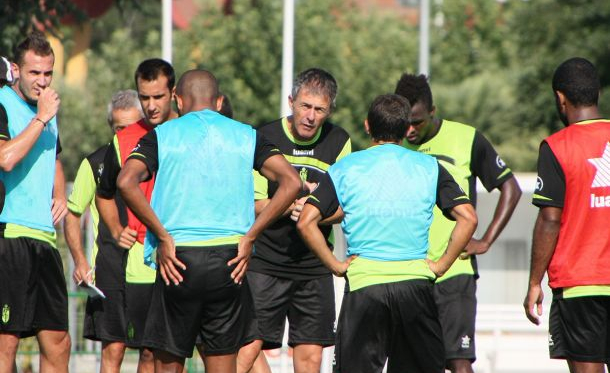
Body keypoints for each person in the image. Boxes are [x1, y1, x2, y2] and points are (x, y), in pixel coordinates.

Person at [116, 69, 300, 373]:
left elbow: (125, 182)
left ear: (177, 99)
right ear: (218, 101)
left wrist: (161, 235)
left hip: (177, 259)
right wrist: (252, 235)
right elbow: (291, 182)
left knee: (167, 365)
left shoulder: (162, 135)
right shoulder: (246, 134)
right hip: (230, 260)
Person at [296, 93, 478, 373]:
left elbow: (306, 221)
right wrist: (441, 265)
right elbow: (468, 217)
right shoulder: (430, 167)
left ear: (368, 126)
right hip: (415, 287)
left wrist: (335, 266)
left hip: (364, 287)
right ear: (406, 129)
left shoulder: (346, 167)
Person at [394, 73, 522, 373]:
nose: (410, 130)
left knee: (458, 361)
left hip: (455, 270)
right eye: (405, 123)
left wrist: (486, 239)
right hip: (407, 272)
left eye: (418, 121)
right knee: (409, 362)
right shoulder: (393, 146)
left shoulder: (466, 138)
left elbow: (511, 188)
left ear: (433, 111)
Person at [239, 68, 351, 373]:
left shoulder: (339, 141)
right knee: (248, 349)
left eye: (320, 109)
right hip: (265, 263)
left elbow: (345, 207)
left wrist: (316, 212)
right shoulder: (265, 136)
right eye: (305, 106)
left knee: (311, 357)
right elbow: (253, 203)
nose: (311, 116)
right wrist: (286, 205)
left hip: (314, 264)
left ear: (329, 110)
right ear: (291, 101)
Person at [524, 57, 610, 373]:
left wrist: (535, 281)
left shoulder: (557, 146)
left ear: (561, 98)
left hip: (580, 284)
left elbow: (550, 219)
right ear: (597, 93)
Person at [96, 58, 178, 373]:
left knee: (180, 351)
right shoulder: (124, 139)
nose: (151, 105)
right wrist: (116, 228)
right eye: (145, 97)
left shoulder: (188, 130)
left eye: (158, 96)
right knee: (147, 352)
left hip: (184, 254)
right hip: (141, 262)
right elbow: (104, 196)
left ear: (173, 92)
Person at [0, 31, 69, 373]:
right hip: (10, 234)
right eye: (34, 73)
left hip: (44, 237)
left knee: (58, 341)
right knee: (5, 341)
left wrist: (59, 192)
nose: (42, 81)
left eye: (48, 73)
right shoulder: (2, 102)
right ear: (16, 69)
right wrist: (40, 117)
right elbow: (5, 158)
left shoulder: (49, 111)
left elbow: (54, 157)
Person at [64, 89, 143, 372]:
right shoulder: (96, 162)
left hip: (149, 268)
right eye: (119, 127)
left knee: (153, 353)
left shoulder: (156, 160)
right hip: (110, 269)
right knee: (114, 350)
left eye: (133, 126)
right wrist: (81, 261)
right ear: (111, 127)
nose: (126, 133)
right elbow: (72, 215)